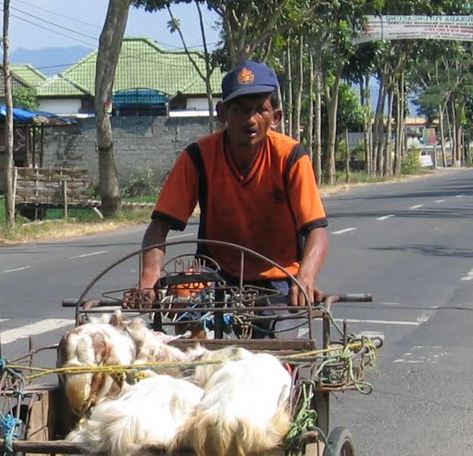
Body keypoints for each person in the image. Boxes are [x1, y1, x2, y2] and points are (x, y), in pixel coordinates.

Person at [136, 59, 330, 308]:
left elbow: (317, 230)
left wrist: (306, 277)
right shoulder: (199, 157)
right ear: (222, 113)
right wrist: (149, 277)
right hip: (215, 271)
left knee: (280, 343)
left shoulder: (290, 156)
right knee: (182, 298)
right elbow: (159, 225)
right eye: (239, 109)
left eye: (260, 109)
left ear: (276, 118)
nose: (250, 119)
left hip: (278, 275)